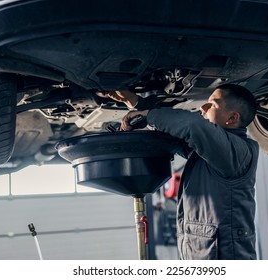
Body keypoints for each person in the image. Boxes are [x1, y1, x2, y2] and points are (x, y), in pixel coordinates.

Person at [107, 84, 259, 260]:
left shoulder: (238, 154)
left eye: (213, 104)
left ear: (232, 118)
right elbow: (176, 133)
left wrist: (148, 115)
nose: (203, 107)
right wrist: (135, 103)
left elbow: (192, 126)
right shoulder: (213, 152)